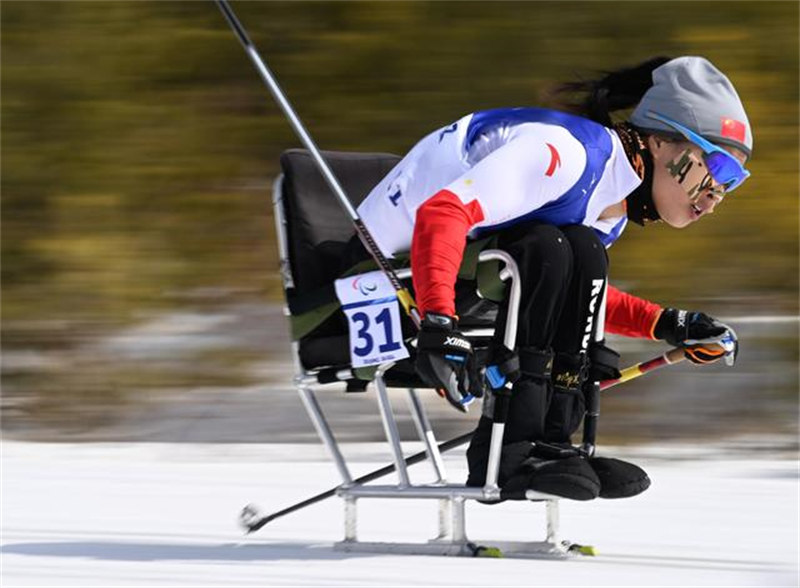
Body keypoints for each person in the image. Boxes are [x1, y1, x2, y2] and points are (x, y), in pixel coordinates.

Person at [344, 55, 748, 500]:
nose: (715, 197)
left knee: (583, 253)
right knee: (549, 247)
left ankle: (552, 443)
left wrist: (669, 324)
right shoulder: (566, 155)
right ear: (658, 143)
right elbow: (444, 213)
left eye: (734, 183)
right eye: (719, 170)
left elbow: (568, 290)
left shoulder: (608, 206)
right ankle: (507, 450)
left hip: (447, 276)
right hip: (370, 286)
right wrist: (439, 322)